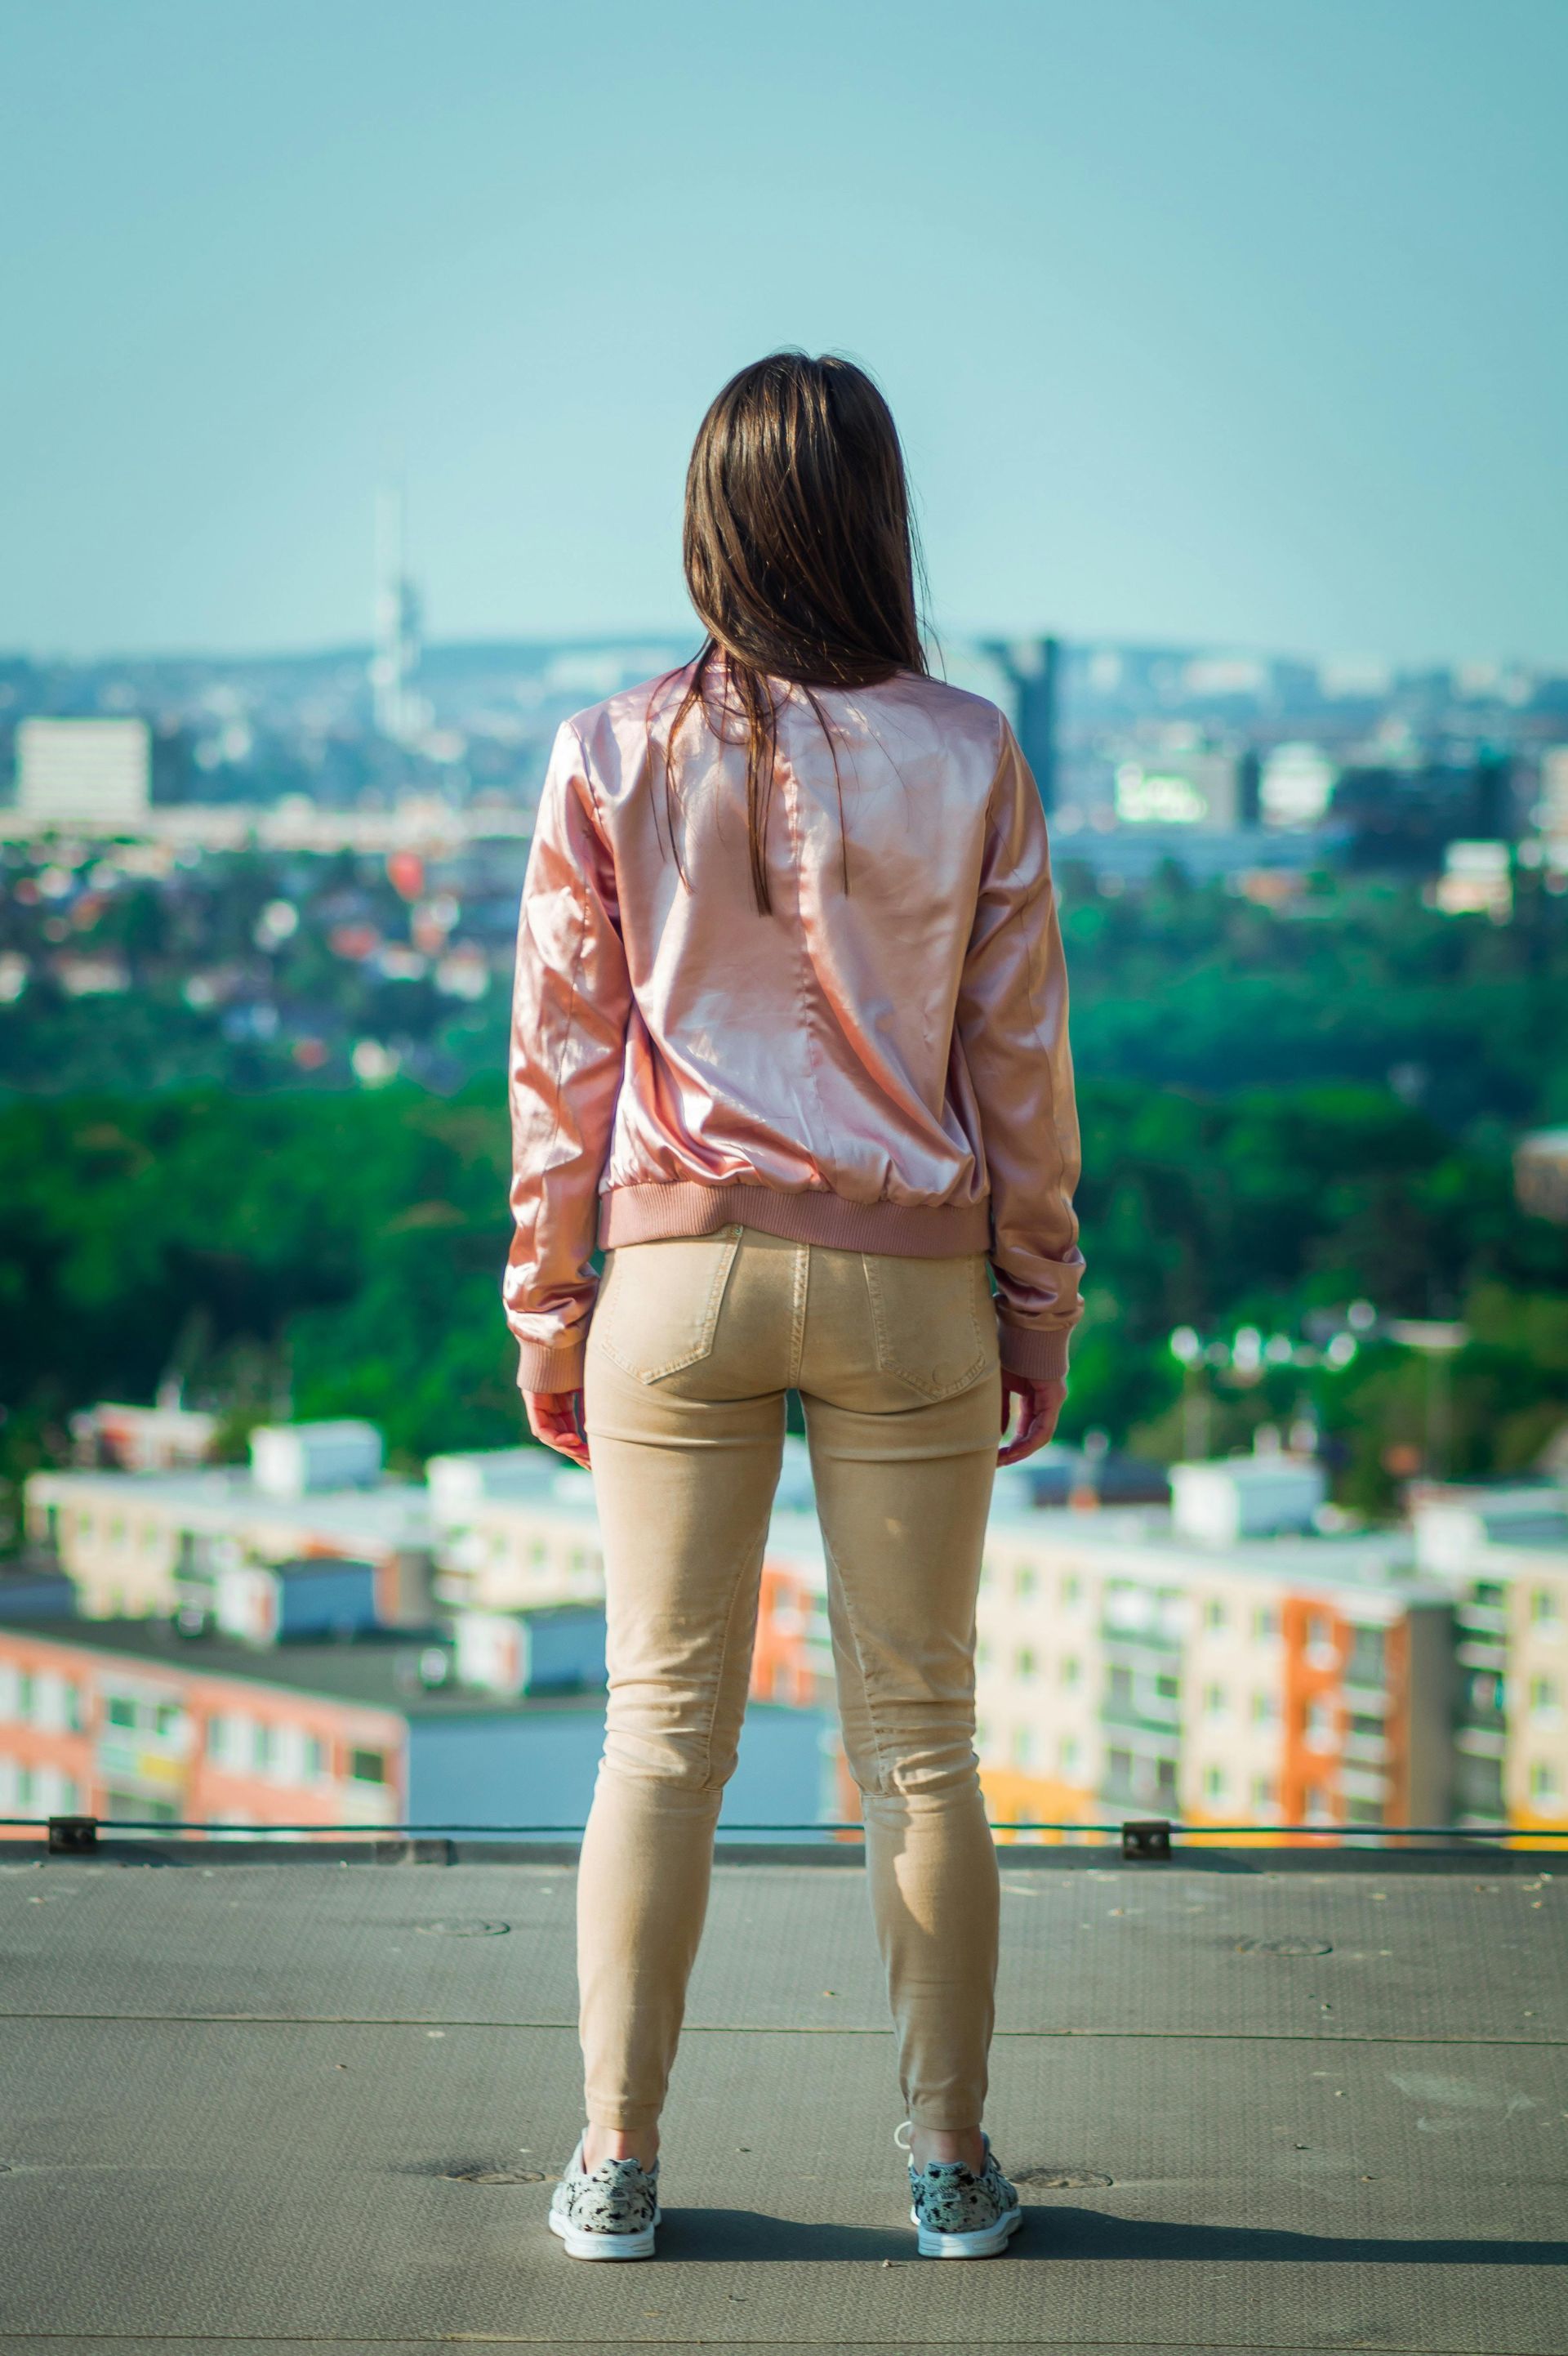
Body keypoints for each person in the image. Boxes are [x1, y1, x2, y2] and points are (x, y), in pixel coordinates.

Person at [504, 350, 1083, 2262]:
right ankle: (947, 2164)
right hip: (910, 1283)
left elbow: (558, 1060)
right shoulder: (977, 747)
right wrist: (1040, 1291)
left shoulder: (608, 748)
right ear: (878, 514)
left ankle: (616, 2159)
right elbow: (1019, 1062)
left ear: (712, 520)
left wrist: (547, 1297)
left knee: (659, 1735)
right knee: (921, 1737)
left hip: (672, 1278)